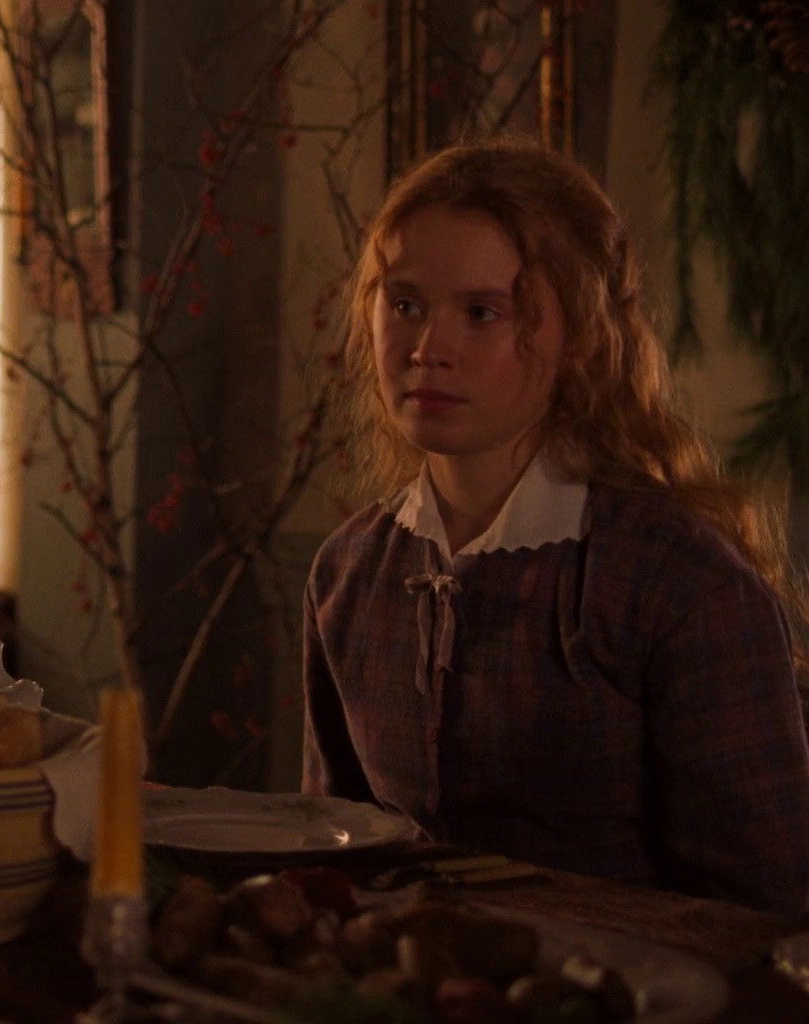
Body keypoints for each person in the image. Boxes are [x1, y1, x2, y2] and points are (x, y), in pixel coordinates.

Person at [301, 139, 809, 913]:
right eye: (404, 304)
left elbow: (765, 907)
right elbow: (330, 855)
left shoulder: (679, 582)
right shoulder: (349, 571)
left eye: (482, 313)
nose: (429, 349)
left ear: (578, 338)